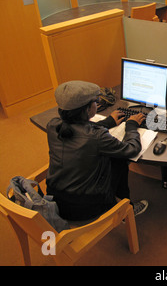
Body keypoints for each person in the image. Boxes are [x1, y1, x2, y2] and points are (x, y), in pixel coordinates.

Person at [46, 80, 148, 221]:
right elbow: (131, 149)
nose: (97, 104)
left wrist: (107, 123)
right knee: (120, 159)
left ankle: (123, 205)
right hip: (86, 208)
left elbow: (79, 132)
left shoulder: (52, 125)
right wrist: (131, 125)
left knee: (110, 157)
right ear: (88, 109)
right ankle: (126, 209)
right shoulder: (96, 136)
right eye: (96, 101)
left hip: (56, 200)